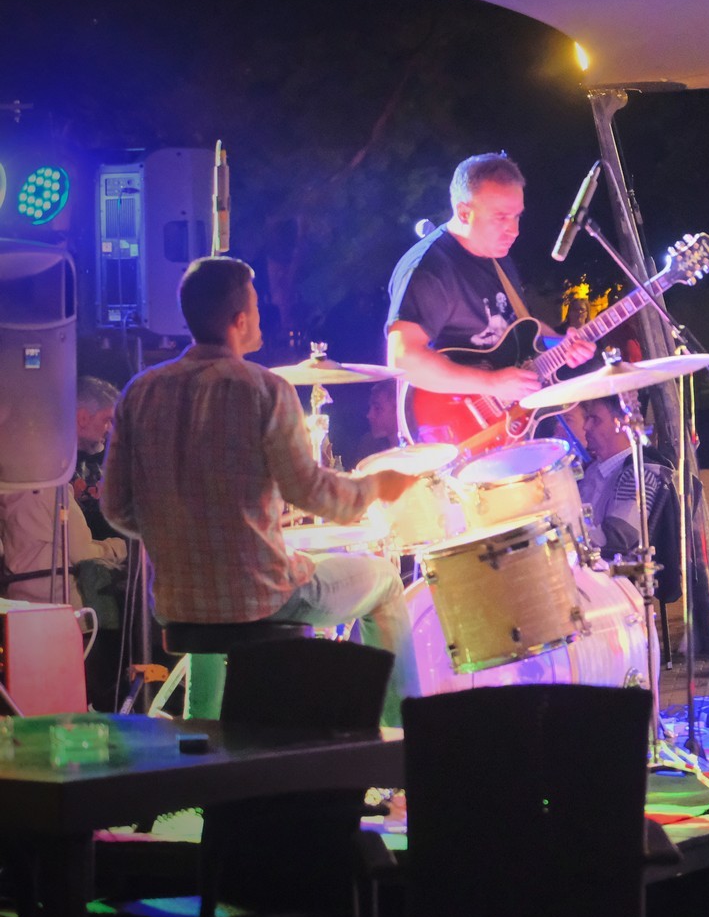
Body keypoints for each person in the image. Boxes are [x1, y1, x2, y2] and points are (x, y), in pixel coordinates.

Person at [102, 257, 422, 724]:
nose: (260, 315)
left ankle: (203, 738)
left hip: (176, 604)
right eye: (255, 306)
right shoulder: (263, 389)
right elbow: (313, 494)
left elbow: (115, 507)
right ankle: (401, 742)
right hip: (264, 597)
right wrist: (376, 486)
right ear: (239, 321)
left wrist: (178, 530)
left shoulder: (139, 392)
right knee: (387, 582)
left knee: (216, 603)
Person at [386, 153, 595, 434]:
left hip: (512, 429)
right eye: (501, 217)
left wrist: (563, 345)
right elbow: (403, 359)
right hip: (455, 431)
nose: (514, 230)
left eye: (517, 216)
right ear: (464, 212)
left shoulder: (497, 255)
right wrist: (492, 383)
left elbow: (519, 327)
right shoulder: (430, 269)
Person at [1, 377, 130, 709]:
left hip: (24, 610)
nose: (109, 430)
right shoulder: (47, 479)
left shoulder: (22, 471)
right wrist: (122, 548)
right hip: (56, 612)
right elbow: (81, 551)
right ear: (82, 418)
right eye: (107, 420)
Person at [574, 394, 681, 603]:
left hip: (613, 589)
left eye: (595, 419)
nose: (586, 426)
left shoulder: (639, 474)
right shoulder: (594, 469)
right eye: (586, 418)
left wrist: (565, 542)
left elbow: (618, 540)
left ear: (622, 424)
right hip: (586, 579)